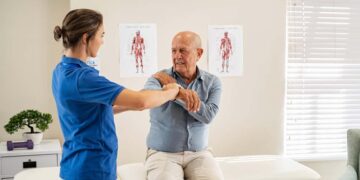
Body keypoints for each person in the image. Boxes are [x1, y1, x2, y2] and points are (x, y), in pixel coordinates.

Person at [52, 9, 180, 180]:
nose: (102, 41)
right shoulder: (83, 78)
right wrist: (171, 92)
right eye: (101, 35)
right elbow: (142, 102)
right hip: (92, 169)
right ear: (85, 38)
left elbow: (90, 110)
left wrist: (135, 102)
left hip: (75, 165)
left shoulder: (61, 70)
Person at [144, 31, 224, 180]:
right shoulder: (157, 79)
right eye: (173, 51)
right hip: (163, 154)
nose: (177, 56)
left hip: (199, 154)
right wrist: (179, 92)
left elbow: (208, 115)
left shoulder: (213, 82)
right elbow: (147, 97)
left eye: (183, 50)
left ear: (198, 53)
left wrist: (174, 92)